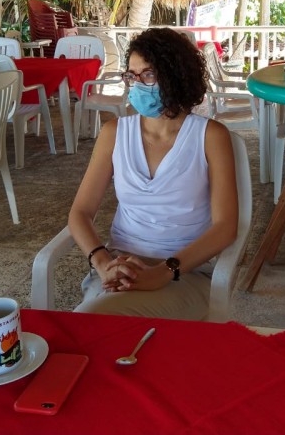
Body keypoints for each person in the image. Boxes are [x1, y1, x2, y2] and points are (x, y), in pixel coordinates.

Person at [68, 28, 238, 320]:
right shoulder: (114, 133)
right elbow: (80, 212)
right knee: (95, 322)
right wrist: (102, 262)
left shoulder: (210, 136)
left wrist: (163, 272)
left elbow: (225, 227)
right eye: (131, 76)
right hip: (120, 265)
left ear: (176, 76)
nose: (137, 85)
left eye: (148, 75)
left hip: (186, 271)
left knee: (96, 321)